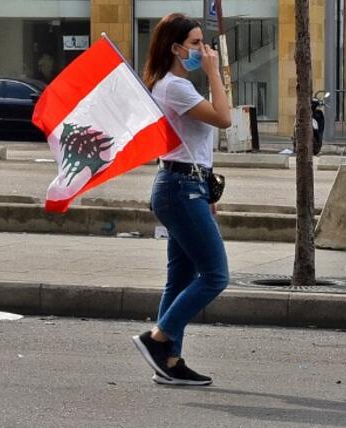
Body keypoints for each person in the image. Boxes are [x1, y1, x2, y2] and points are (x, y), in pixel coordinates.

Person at [130, 13, 231, 386]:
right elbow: (224, 118)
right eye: (195, 44)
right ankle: (157, 340)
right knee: (216, 275)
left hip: (187, 186)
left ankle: (169, 362)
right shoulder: (175, 87)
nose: (202, 51)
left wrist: (206, 190)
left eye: (203, 43)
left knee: (180, 279)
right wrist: (215, 71)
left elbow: (195, 145)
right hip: (180, 188)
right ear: (175, 48)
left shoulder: (173, 86)